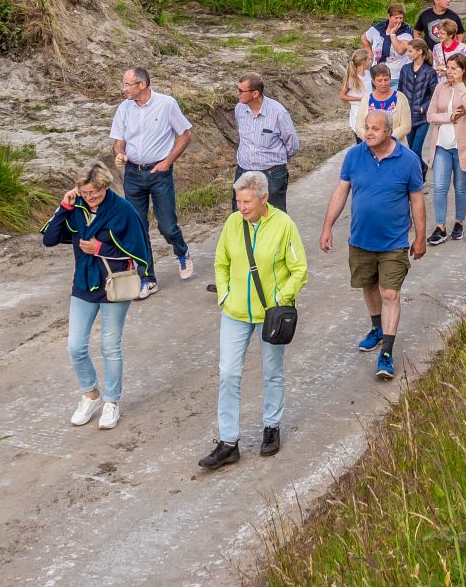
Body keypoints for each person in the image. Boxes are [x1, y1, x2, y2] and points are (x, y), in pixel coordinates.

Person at [199, 172, 308, 470]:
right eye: (238, 201)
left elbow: (299, 270)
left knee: (272, 371)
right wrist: (224, 295)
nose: (242, 207)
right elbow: (220, 262)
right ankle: (228, 442)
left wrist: (280, 299)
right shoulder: (233, 224)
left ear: (264, 199)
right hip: (234, 313)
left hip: (269, 315)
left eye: (247, 201)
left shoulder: (284, 225)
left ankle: (271, 427)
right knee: (228, 374)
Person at [319, 108, 426, 382]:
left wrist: (421, 236)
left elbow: (416, 200)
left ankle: (387, 353)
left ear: (389, 132)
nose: (368, 132)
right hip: (361, 240)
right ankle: (376, 329)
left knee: (389, 293)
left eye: (375, 129)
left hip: (394, 242)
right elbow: (342, 191)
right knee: (368, 286)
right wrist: (327, 226)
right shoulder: (354, 156)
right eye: (366, 127)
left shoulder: (409, 160)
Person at [41, 163, 150, 431]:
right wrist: (64, 207)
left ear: (105, 187)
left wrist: (101, 247)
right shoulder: (76, 206)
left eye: (95, 193)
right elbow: (49, 239)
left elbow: (141, 250)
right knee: (75, 346)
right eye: (84, 192)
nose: (90, 198)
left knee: (109, 346)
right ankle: (91, 395)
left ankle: (112, 402)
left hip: (114, 286)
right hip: (83, 284)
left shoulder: (123, 209)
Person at [109, 65, 192, 292]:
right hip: (133, 174)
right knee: (138, 227)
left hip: (160, 173)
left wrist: (168, 161)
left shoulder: (167, 104)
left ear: (141, 85)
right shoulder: (123, 109)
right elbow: (118, 141)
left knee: (167, 225)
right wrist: (119, 154)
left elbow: (185, 134)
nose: (123, 89)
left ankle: (181, 250)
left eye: (127, 84)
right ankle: (147, 278)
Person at [425, 52, 466, 245]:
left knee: (460, 187)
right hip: (442, 144)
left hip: (463, 146)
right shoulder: (440, 87)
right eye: (447, 68)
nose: (449, 72)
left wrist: (459, 84)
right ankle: (440, 227)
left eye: (453, 69)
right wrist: (448, 117)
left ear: (463, 70)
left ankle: (459, 222)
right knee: (440, 187)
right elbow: (430, 115)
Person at [233, 73, 300, 206]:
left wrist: (275, 160)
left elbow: (292, 144)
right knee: (241, 216)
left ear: (255, 94)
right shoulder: (239, 109)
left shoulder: (278, 113)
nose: (237, 93)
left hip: (271, 175)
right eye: (237, 89)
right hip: (244, 172)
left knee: (274, 217)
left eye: (241, 90)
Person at [395, 34, 439, 166]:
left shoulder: (430, 72)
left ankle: (418, 178)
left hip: (422, 118)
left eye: (410, 51)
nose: (407, 54)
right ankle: (422, 170)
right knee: (410, 151)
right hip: (407, 117)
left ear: (419, 51)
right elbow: (400, 90)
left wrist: (423, 108)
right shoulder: (405, 69)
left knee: (415, 149)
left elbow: (434, 94)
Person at [350, 63, 413, 143]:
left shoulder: (400, 98)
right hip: (372, 148)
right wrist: (371, 139)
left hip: (396, 146)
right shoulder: (366, 100)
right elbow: (359, 127)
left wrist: (386, 139)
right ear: (373, 81)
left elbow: (406, 126)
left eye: (386, 80)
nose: (383, 83)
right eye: (379, 80)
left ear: (390, 79)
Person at [362, 2, 414, 70]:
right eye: (396, 18)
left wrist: (392, 34)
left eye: (401, 18)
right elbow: (364, 38)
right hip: (377, 72)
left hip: (398, 75)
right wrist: (370, 53)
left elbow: (400, 51)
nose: (398, 21)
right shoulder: (379, 28)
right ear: (389, 16)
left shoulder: (406, 31)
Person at [340, 47, 373, 138]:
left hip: (370, 109)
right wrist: (360, 99)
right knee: (360, 135)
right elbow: (342, 96)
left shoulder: (368, 74)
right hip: (357, 111)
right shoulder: (352, 78)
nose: (371, 61)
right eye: (369, 59)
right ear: (363, 61)